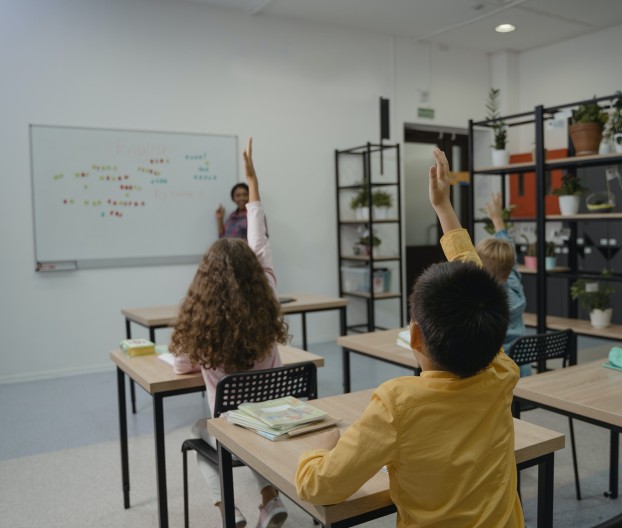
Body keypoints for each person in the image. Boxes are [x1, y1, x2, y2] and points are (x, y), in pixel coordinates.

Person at [294, 148, 523, 527]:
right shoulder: (501, 371)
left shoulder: (396, 404)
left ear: (414, 336)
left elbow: (318, 486)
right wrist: (444, 208)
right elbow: (473, 273)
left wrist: (317, 450)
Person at [172, 138, 290, 528]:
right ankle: (270, 499)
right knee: (252, 426)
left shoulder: (200, 324)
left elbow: (181, 366)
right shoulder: (268, 291)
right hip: (272, 416)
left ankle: (228, 512)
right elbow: (258, 236)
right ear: (256, 273)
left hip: (233, 424)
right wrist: (254, 179)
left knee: (201, 430)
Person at [478, 191, 530, 376]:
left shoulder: (485, 303)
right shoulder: (514, 285)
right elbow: (511, 257)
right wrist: (497, 219)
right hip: (522, 373)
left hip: (498, 379)